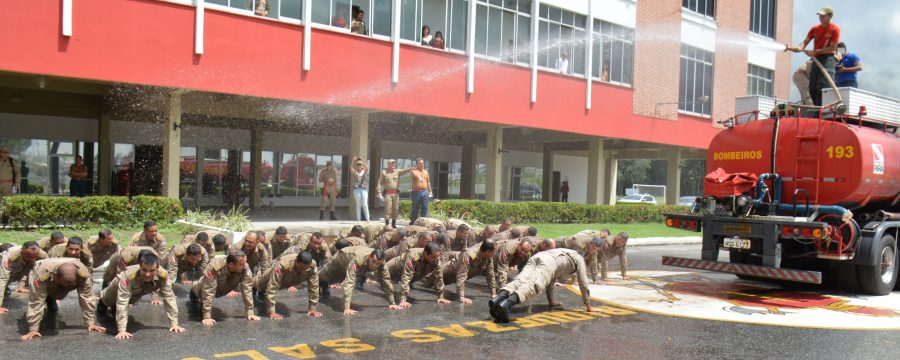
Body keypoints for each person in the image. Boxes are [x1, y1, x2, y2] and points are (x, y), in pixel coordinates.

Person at [488, 248, 594, 323]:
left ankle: (498, 299)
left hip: (538, 256)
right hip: (549, 262)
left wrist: (551, 301)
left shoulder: (567, 251)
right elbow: (583, 282)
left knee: (520, 280)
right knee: (533, 285)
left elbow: (551, 281)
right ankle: (507, 304)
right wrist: (588, 305)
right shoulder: (580, 259)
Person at [97, 252, 183, 340]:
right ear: (139, 266)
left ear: (157, 268)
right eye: (144, 270)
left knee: (126, 303)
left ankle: (115, 310)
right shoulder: (128, 276)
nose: (147, 274)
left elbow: (169, 298)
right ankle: (101, 304)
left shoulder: (164, 276)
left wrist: (174, 324)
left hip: (134, 293)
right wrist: (122, 330)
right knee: (107, 301)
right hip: (116, 290)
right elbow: (122, 301)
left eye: (152, 270)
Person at [21, 258, 103, 340]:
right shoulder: (42, 274)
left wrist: (90, 323)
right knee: (44, 297)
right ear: (56, 276)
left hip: (65, 279)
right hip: (46, 276)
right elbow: (36, 301)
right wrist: (33, 329)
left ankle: (53, 297)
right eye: (64, 283)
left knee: (60, 294)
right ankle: (50, 299)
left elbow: (87, 298)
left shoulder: (82, 274)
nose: (66, 287)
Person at [316, 246, 401, 315]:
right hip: (344, 256)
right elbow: (350, 282)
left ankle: (324, 283)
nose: (375, 265)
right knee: (327, 273)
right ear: (369, 257)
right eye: (373, 261)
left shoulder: (382, 263)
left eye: (378, 263)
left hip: (358, 262)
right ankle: (314, 279)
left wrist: (392, 302)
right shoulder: (358, 259)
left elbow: (386, 280)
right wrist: (347, 308)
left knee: (340, 278)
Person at [786, 6, 840, 106]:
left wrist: (814, 52)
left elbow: (832, 49)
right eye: (820, 15)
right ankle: (815, 110)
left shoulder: (835, 29)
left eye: (823, 16)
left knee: (823, 85)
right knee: (813, 86)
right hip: (817, 59)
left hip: (828, 59)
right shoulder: (815, 29)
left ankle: (822, 110)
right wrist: (799, 47)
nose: (821, 17)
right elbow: (805, 41)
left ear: (830, 16)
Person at [190, 250, 260, 326]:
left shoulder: (244, 266)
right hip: (206, 286)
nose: (245, 265)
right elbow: (208, 290)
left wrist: (250, 312)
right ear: (231, 264)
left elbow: (247, 289)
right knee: (201, 291)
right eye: (241, 264)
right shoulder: (214, 266)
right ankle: (194, 286)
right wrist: (207, 316)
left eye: (245, 262)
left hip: (224, 287)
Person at [255, 251, 322, 319]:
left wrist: (312, 309)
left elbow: (314, 287)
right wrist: (271, 312)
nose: (303, 271)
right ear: (296, 261)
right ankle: (253, 285)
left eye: (306, 269)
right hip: (272, 275)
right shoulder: (282, 265)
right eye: (301, 268)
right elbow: (272, 287)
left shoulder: (312, 266)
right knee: (259, 284)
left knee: (265, 290)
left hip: (290, 280)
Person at [0, 242, 48, 313]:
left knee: (29, 266)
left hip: (20, 262)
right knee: (6, 277)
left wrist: (54, 297)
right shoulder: (10, 255)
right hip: (2, 264)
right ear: (22, 251)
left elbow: (48, 275)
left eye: (35, 256)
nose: (32, 259)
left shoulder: (43, 255)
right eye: (29, 256)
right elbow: (2, 279)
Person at [377, 159, 411, 228]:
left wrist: (410, 169)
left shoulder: (397, 172)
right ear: (388, 165)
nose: (393, 165)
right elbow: (379, 182)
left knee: (395, 208)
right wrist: (379, 192)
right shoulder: (384, 173)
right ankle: (387, 224)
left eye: (394, 164)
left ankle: (393, 223)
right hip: (388, 193)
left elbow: (404, 171)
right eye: (391, 164)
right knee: (388, 208)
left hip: (395, 194)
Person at [408, 158, 432, 225]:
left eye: (423, 163)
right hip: (416, 192)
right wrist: (419, 178)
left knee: (425, 207)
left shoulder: (426, 171)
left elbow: (428, 182)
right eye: (420, 163)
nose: (422, 164)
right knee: (415, 208)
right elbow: (414, 175)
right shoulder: (414, 171)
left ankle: (424, 222)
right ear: (417, 164)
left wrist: (430, 191)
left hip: (425, 192)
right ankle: (413, 222)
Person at [351, 156, 370, 222]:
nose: (359, 166)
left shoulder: (364, 171)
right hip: (356, 189)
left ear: (362, 166)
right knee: (358, 204)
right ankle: (358, 220)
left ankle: (367, 219)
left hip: (364, 189)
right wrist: (353, 161)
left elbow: (367, 168)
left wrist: (362, 160)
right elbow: (351, 168)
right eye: (358, 165)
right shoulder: (355, 172)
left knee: (365, 204)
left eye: (360, 165)